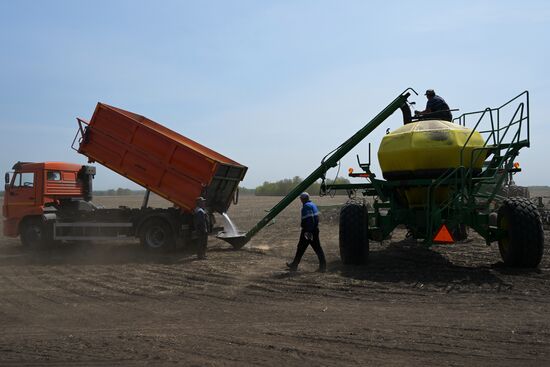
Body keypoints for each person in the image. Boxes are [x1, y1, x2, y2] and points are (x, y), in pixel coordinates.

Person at [286, 192, 326, 272]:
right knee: (306, 247)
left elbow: (310, 219)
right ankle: (295, 265)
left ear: (303, 199)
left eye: (301, 198)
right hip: (314, 229)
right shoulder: (312, 204)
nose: (300, 200)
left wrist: (308, 232)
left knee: (308, 248)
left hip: (308, 231)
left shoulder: (306, 206)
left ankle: (322, 267)